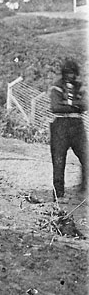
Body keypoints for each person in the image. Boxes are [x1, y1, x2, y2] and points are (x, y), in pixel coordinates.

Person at [49, 58, 87, 200]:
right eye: (68, 72)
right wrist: (75, 104)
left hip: (77, 125)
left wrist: (68, 102)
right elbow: (55, 107)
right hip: (60, 125)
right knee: (59, 161)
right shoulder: (56, 87)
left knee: (86, 157)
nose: (70, 76)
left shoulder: (80, 87)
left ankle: (84, 190)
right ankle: (58, 195)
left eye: (73, 73)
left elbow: (85, 105)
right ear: (63, 73)